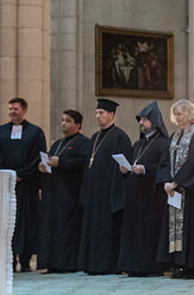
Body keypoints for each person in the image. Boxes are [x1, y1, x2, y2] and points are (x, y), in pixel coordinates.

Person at [0, 97, 46, 272]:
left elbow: (39, 156)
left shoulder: (36, 132)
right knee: (7, 222)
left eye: (16, 109)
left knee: (27, 222)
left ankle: (26, 259)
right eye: (10, 109)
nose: (12, 112)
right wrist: (7, 175)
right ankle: (9, 260)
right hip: (5, 185)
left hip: (26, 186)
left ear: (24, 111)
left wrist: (20, 175)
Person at [158, 100, 194, 279]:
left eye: (180, 113)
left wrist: (178, 181)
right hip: (174, 191)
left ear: (189, 113)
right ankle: (176, 263)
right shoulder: (174, 136)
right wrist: (166, 180)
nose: (177, 117)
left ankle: (192, 266)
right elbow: (165, 160)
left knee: (191, 228)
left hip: (191, 192)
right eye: (175, 114)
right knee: (174, 228)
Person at [78, 98, 133, 275]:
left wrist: (116, 196)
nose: (98, 116)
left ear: (111, 115)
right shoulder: (94, 138)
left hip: (108, 195)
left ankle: (107, 265)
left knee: (107, 232)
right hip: (93, 194)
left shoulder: (120, 137)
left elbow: (123, 168)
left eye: (101, 113)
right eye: (96, 113)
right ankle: (92, 265)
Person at [117, 101, 169, 277]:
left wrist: (145, 169)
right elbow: (133, 165)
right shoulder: (137, 145)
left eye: (145, 120)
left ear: (154, 122)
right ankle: (133, 265)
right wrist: (126, 170)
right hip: (134, 197)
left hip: (152, 197)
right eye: (140, 120)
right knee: (133, 231)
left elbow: (165, 168)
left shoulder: (163, 144)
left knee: (148, 232)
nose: (141, 123)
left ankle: (150, 266)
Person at [37, 109, 91, 273]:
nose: (63, 124)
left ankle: (67, 264)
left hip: (70, 194)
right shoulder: (57, 143)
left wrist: (61, 162)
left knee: (67, 231)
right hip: (53, 193)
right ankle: (51, 263)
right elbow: (50, 158)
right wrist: (43, 165)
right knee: (51, 229)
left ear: (78, 124)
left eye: (68, 121)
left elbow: (82, 163)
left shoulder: (84, 142)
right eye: (62, 120)